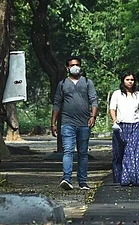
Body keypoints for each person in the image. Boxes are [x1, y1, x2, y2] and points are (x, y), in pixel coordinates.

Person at [51, 56, 98, 190]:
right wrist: (53, 123)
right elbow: (57, 104)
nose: (75, 67)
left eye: (77, 64)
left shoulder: (88, 82)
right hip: (67, 123)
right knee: (68, 151)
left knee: (83, 153)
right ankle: (67, 179)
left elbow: (94, 100)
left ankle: (82, 181)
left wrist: (93, 116)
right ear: (67, 68)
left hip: (84, 123)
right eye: (72, 65)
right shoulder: (63, 84)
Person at [110, 71, 139, 186]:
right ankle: (119, 177)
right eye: (128, 79)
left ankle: (134, 178)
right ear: (123, 81)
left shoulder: (138, 95)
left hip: (136, 126)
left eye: (132, 80)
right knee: (119, 153)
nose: (130, 82)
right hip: (121, 126)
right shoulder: (117, 94)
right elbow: (112, 109)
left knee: (133, 153)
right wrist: (115, 120)